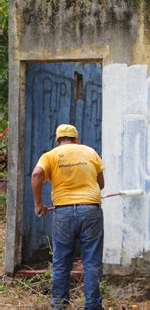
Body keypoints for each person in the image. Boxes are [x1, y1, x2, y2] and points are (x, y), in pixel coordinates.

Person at [31, 124, 105, 310]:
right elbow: (101, 183)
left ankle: (59, 305)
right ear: (76, 139)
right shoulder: (90, 152)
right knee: (92, 262)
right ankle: (92, 306)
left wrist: (39, 204)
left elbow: (37, 174)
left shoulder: (51, 155)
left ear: (57, 141)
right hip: (90, 210)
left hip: (63, 212)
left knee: (61, 261)